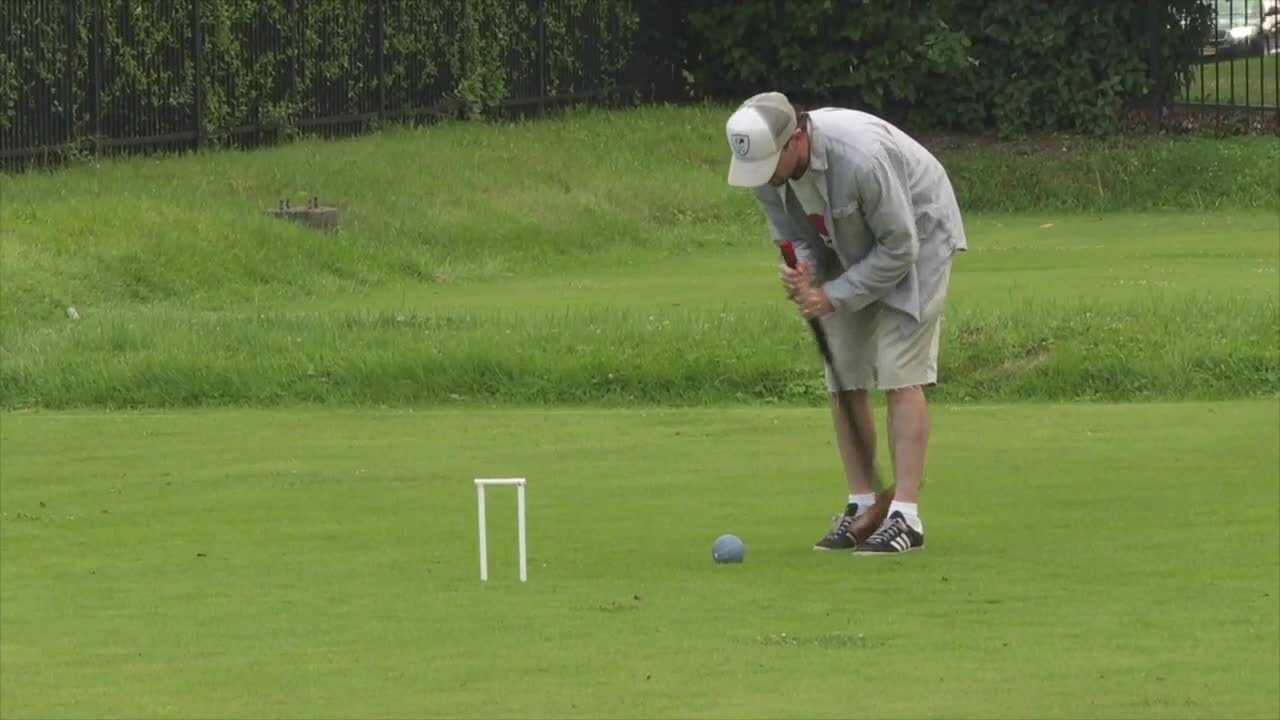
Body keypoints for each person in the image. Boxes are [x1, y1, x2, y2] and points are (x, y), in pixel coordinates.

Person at [724, 91, 967, 555]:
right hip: (845, 240)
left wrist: (831, 295)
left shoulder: (861, 157)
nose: (766, 177)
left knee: (900, 369)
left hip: (916, 233)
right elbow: (796, 236)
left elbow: (900, 247)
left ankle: (905, 517)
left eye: (772, 162)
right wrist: (806, 271)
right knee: (845, 369)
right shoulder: (763, 168)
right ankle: (862, 503)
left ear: (796, 137)